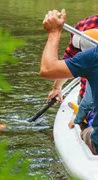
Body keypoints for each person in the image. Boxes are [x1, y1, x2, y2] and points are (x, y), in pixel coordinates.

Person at [40, 9, 98, 155]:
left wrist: (54, 33)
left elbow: (52, 68)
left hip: (89, 96)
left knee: (88, 130)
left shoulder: (86, 27)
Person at [47, 14, 98, 104]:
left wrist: (56, 87)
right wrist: (56, 88)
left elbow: (70, 60)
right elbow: (71, 61)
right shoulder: (86, 26)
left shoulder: (85, 25)